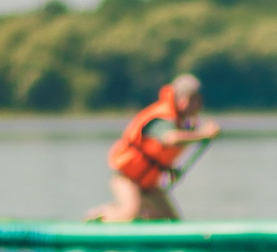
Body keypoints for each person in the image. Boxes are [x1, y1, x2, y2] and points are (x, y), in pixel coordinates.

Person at [90, 72, 219, 222]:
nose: (197, 106)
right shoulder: (161, 118)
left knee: (173, 221)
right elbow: (170, 139)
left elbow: (156, 154)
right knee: (130, 214)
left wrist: (167, 168)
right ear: (180, 99)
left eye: (198, 100)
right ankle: (99, 217)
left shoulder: (182, 122)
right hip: (127, 178)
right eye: (192, 100)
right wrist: (204, 134)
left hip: (149, 184)